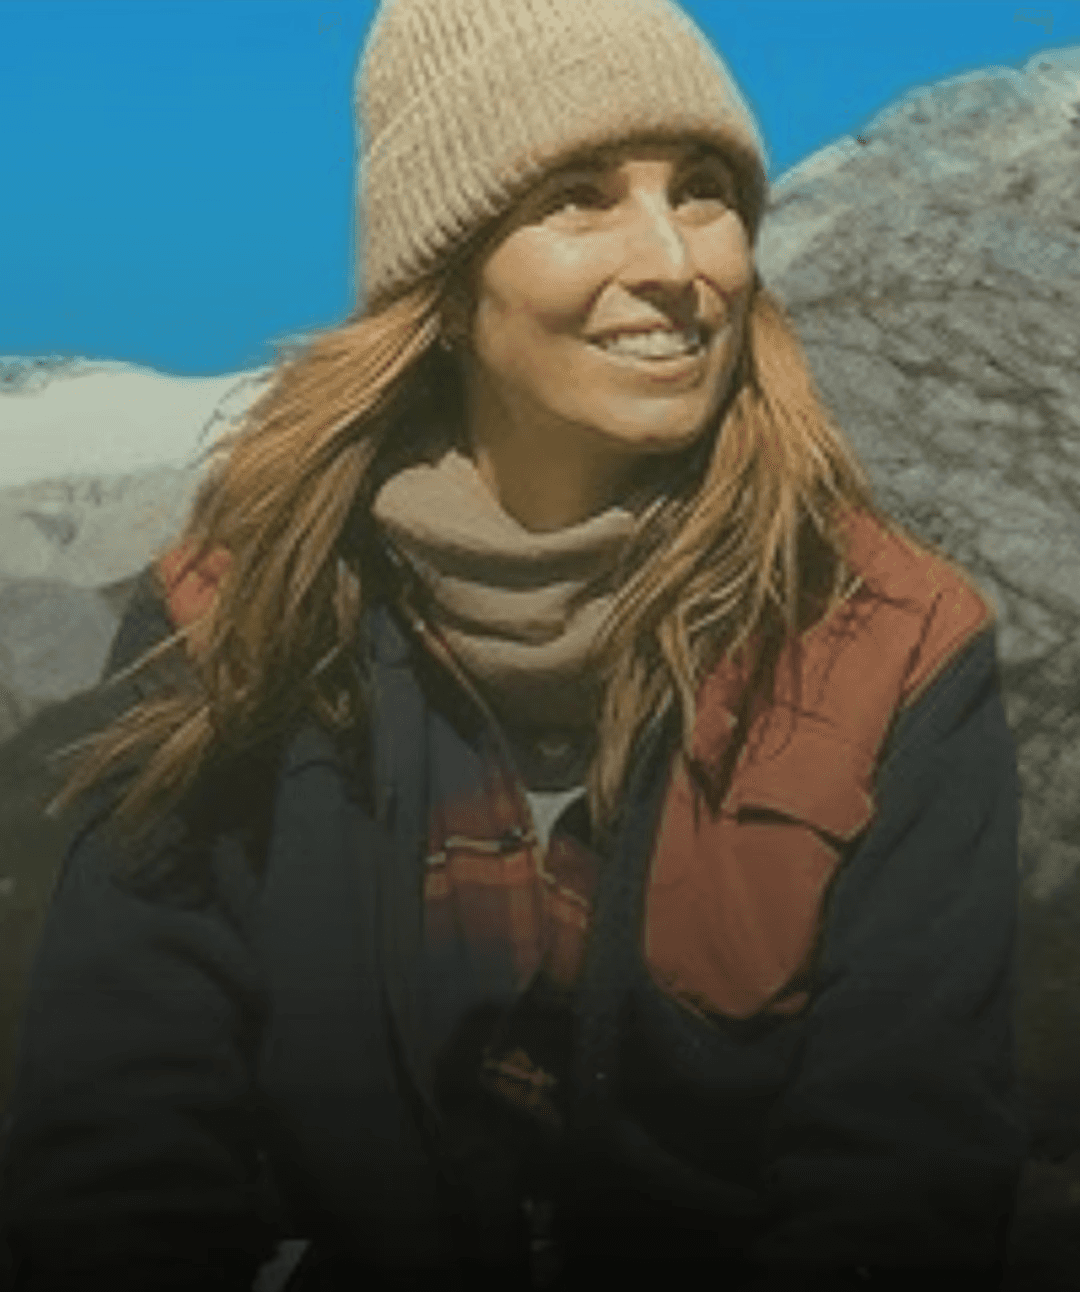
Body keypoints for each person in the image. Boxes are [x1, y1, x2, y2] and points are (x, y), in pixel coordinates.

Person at [0, 0, 1028, 1289]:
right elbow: (116, 1152)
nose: (674, 260)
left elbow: (905, 1185)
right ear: (445, 280)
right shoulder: (231, 625)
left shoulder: (896, 644)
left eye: (703, 192)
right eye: (580, 196)